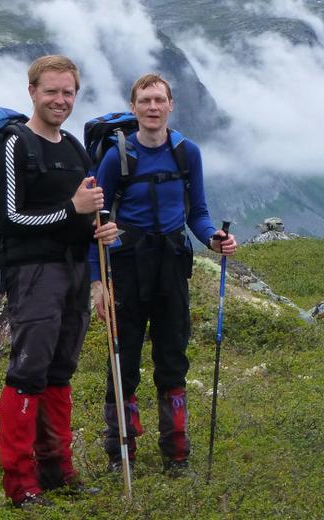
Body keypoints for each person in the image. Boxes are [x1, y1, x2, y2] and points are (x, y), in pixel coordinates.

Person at [89, 74, 236, 477]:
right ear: (133, 107)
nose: (152, 108)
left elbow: (197, 212)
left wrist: (213, 239)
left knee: (173, 358)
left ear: (171, 105)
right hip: (128, 266)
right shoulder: (115, 157)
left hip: (172, 265)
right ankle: (122, 452)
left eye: (159, 100)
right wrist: (98, 284)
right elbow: (97, 223)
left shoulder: (188, 154)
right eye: (145, 101)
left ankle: (176, 452)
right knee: (125, 361)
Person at [0, 55, 118, 508]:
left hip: (74, 272)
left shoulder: (76, 149)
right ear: (32, 91)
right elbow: (10, 217)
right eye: (51, 91)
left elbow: (89, 213)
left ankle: (57, 471)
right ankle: (20, 483)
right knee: (28, 371)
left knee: (60, 370)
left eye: (68, 92)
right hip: (32, 273)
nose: (60, 100)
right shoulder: (14, 143)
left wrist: (101, 229)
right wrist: (73, 211)